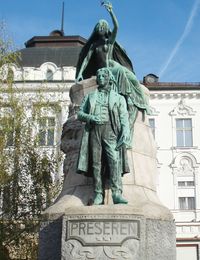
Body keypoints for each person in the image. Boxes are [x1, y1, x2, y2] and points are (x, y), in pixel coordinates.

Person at [76, 1, 150, 132]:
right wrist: (80, 74)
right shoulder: (94, 46)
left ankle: (141, 101)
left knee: (131, 77)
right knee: (122, 73)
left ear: (105, 29)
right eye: (99, 26)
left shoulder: (109, 42)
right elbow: (86, 60)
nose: (101, 28)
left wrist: (111, 12)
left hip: (113, 66)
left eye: (103, 26)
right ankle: (130, 98)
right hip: (105, 70)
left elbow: (117, 27)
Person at [77, 67, 130, 205]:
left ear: (109, 79)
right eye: (98, 76)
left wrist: (125, 133)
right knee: (96, 164)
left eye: (103, 76)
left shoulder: (118, 98)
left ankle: (117, 193)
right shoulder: (90, 96)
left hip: (111, 131)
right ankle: (98, 194)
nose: (100, 78)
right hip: (94, 131)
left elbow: (124, 117)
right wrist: (91, 118)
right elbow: (80, 114)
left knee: (114, 162)